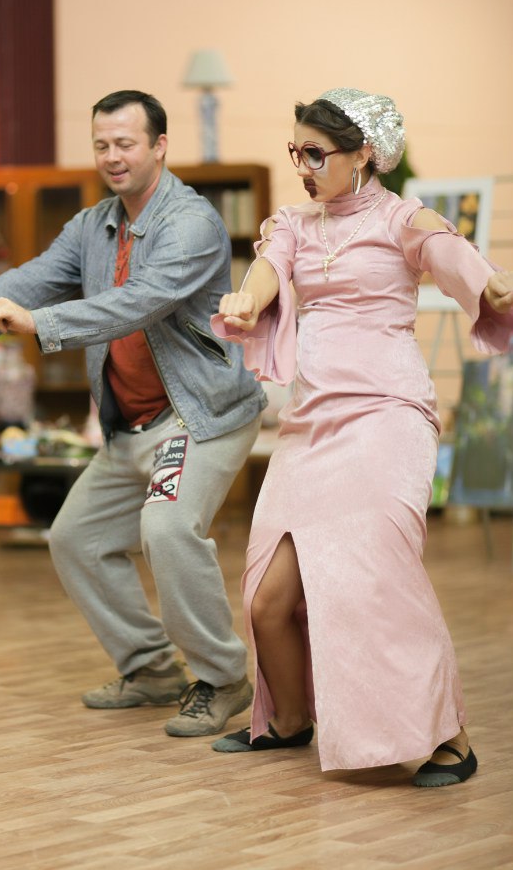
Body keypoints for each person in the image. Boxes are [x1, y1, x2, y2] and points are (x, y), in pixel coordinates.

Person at [0, 89, 266, 738]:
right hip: (128, 422)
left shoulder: (192, 223)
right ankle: (151, 667)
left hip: (196, 415)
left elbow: (137, 302)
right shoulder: (93, 225)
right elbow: (29, 279)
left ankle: (224, 677)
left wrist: (41, 324)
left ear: (159, 146)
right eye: (101, 145)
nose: (112, 156)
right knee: (75, 539)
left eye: (126, 143)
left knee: (167, 529)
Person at [210, 87, 513, 786]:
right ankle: (290, 718)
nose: (302, 167)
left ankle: (450, 737)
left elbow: (450, 253)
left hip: (387, 417)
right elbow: (267, 268)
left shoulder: (404, 218)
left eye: (315, 154)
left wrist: (490, 286)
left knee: (379, 578)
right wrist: (247, 299)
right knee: (267, 598)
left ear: (363, 155)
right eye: (295, 152)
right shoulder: (294, 223)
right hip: (312, 423)